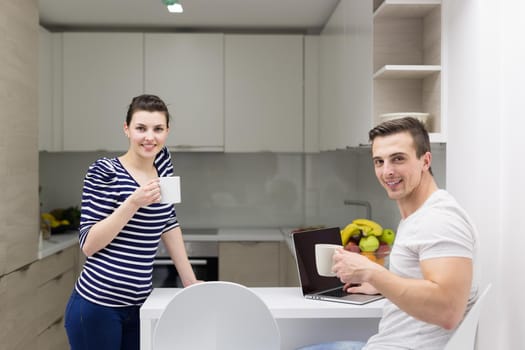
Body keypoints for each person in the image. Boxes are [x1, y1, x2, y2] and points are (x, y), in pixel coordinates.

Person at [300, 117, 480, 350]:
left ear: (425, 161)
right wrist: (381, 284)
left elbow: (447, 310)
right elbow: (427, 282)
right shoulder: (420, 216)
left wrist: (373, 273)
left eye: (398, 159)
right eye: (379, 161)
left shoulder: (439, 220)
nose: (387, 171)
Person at [64, 94, 200, 350]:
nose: (150, 137)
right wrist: (132, 203)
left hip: (140, 305)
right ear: (126, 129)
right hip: (97, 306)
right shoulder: (104, 171)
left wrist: (189, 281)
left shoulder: (162, 162)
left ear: (167, 131)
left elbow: (168, 220)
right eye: (141, 128)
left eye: (158, 129)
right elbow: (88, 245)